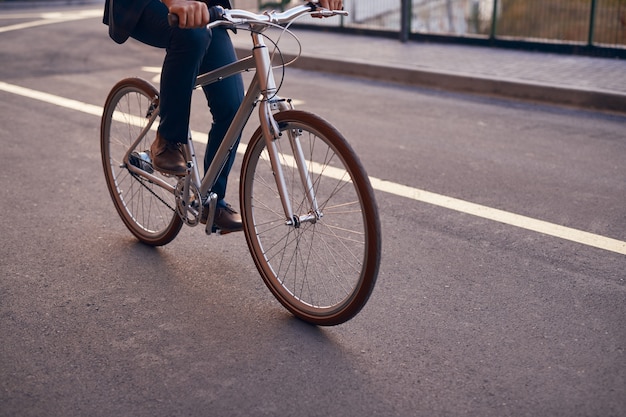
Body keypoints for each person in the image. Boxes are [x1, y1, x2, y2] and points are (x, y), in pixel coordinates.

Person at [103, 0, 342, 233]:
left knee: (233, 107)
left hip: (205, 8)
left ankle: (211, 202)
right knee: (192, 35)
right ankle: (166, 140)